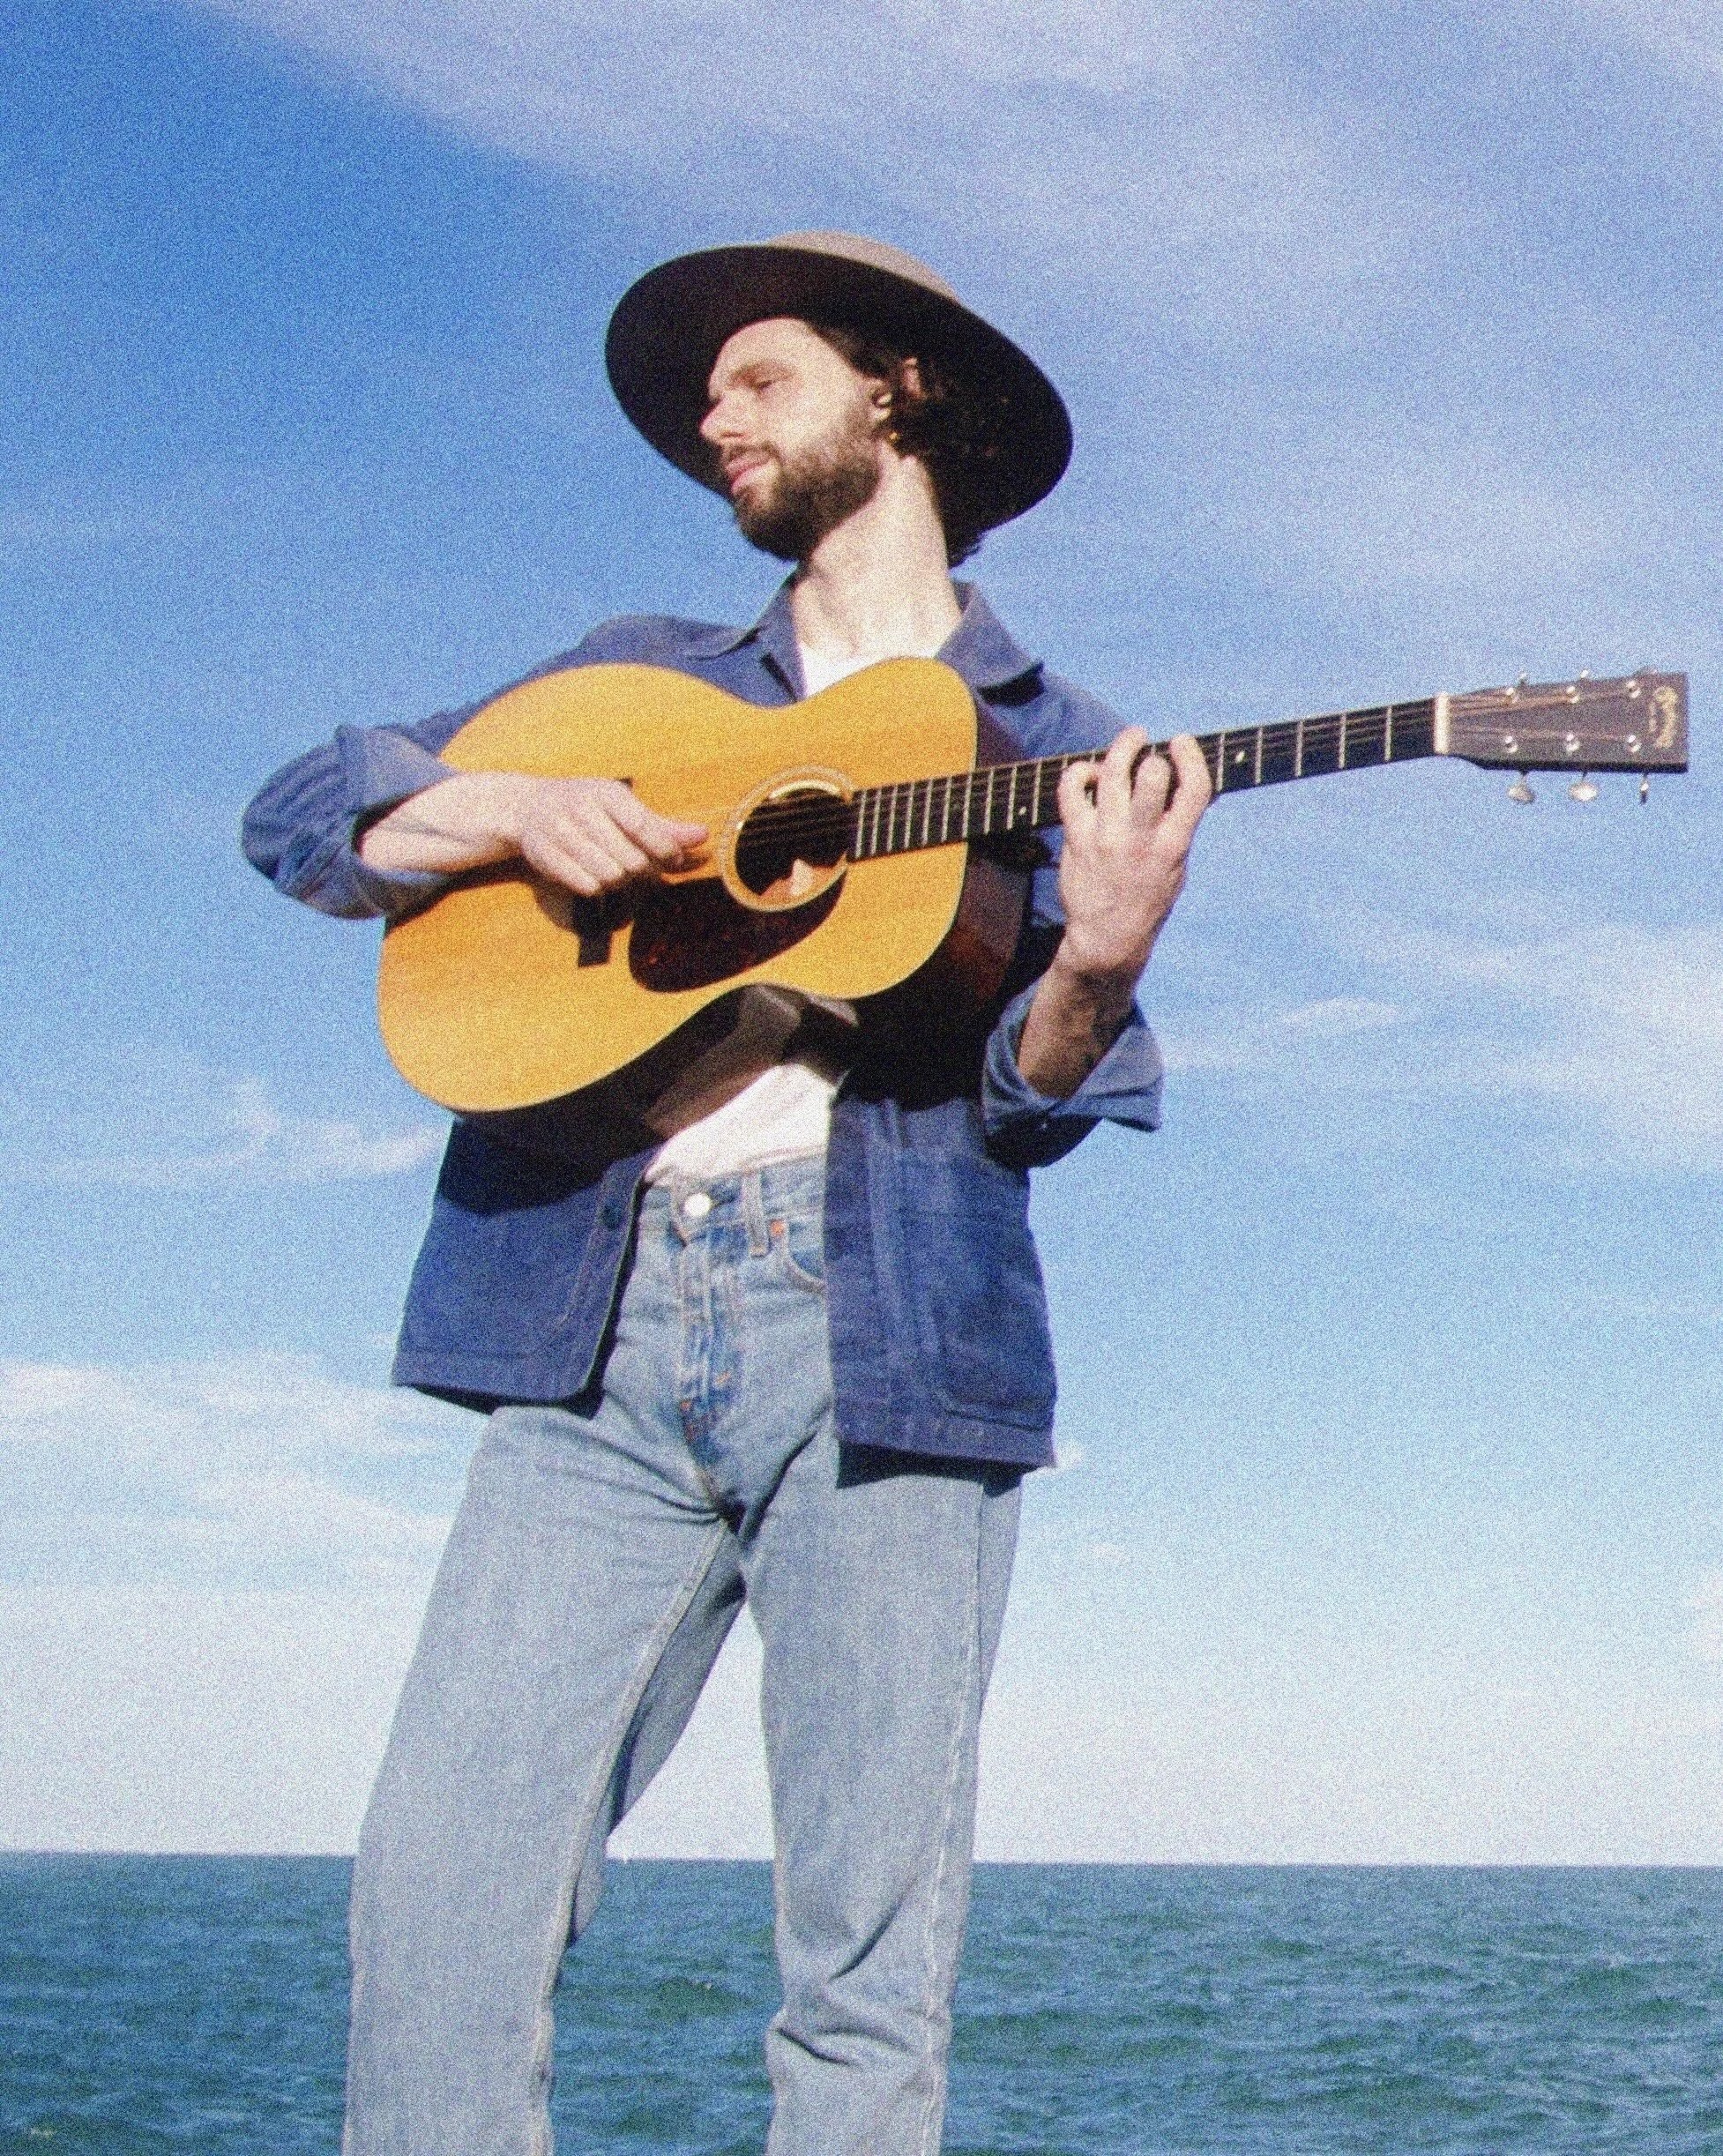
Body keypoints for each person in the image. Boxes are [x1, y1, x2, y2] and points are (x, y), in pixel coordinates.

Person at [242, 230, 1211, 2156]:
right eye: (707, 397)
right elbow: (298, 817)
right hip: (586, 1324)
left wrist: (1096, 969)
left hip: (886, 1339)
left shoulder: (1056, 744)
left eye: (760, 378)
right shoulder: (639, 684)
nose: (717, 420)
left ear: (895, 394)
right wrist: (505, 805)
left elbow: (1029, 1107)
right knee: (437, 1890)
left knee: (862, 1959)